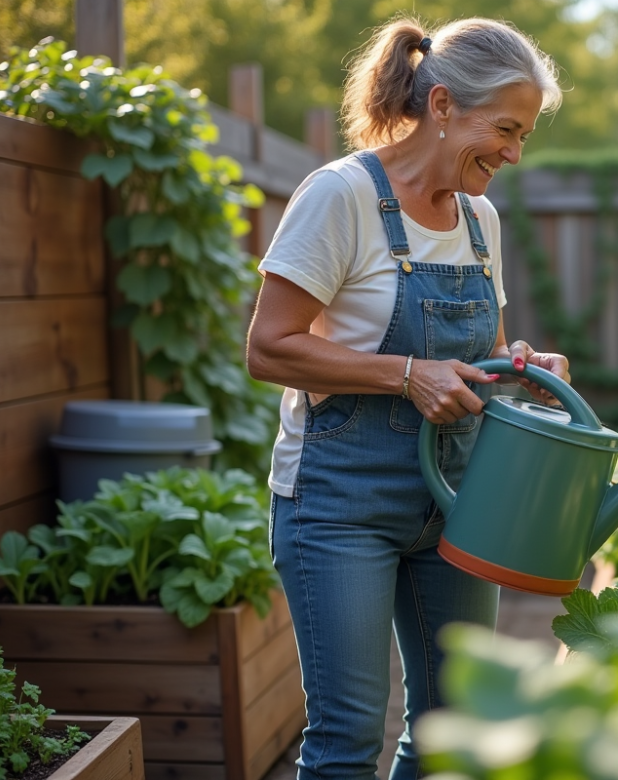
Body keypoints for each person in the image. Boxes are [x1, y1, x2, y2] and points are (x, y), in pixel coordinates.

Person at [245, 17, 568, 780]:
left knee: (450, 733)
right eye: (506, 129)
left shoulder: (479, 219)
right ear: (446, 104)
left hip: (455, 500)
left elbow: (479, 354)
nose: (515, 153)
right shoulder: (341, 196)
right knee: (346, 741)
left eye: (525, 136)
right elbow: (268, 347)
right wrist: (405, 372)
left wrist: (518, 364)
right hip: (338, 502)